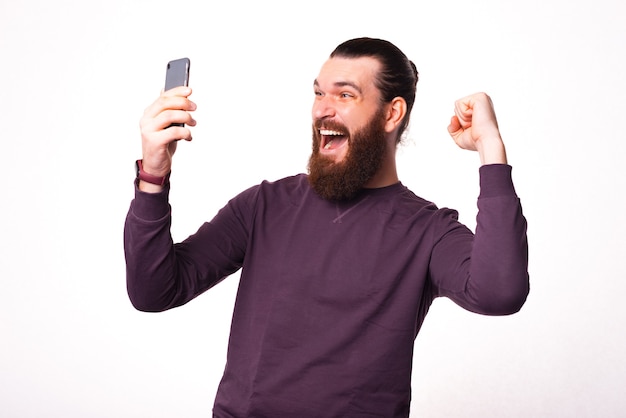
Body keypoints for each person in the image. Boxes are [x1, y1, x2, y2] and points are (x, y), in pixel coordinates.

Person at [124, 37, 529, 417]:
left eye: (344, 95)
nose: (322, 109)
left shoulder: (427, 230)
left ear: (392, 113)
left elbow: (499, 292)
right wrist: (154, 174)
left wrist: (491, 150)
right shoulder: (265, 205)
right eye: (318, 93)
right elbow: (154, 290)